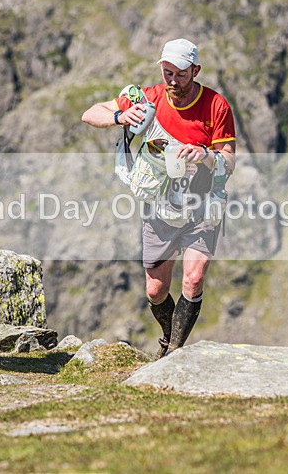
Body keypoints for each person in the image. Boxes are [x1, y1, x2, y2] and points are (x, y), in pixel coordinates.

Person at [82, 38, 236, 357]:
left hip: (203, 204)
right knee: (156, 290)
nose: (172, 81)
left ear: (195, 70)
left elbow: (229, 160)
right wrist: (118, 118)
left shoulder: (216, 105)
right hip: (161, 206)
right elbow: (90, 114)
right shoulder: (148, 98)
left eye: (180, 74)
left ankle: (174, 351)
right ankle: (168, 336)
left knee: (193, 280)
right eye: (167, 72)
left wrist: (206, 155)